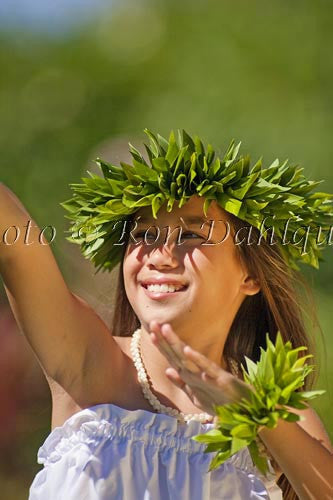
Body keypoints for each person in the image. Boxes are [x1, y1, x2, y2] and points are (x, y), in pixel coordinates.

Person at [0, 129, 332, 500]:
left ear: (251, 274)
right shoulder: (87, 362)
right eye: (144, 235)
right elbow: (16, 243)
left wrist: (253, 414)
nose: (160, 256)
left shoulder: (280, 412)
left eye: (191, 236)